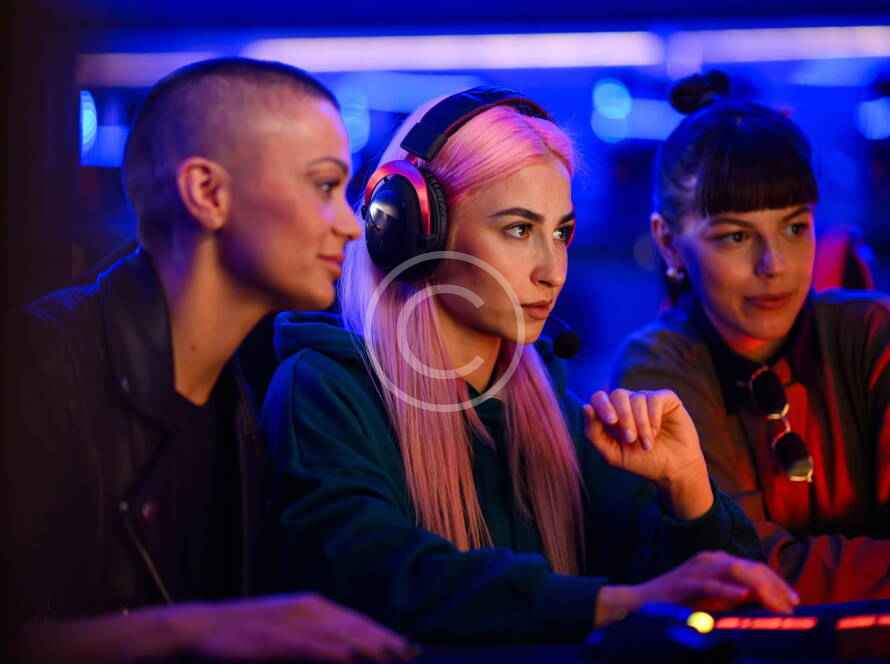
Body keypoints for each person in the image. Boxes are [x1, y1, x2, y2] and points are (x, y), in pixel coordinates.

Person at [260, 87, 798, 643]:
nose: (553, 271)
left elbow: (717, 600)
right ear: (411, 230)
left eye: (561, 233)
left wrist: (687, 488)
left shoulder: (554, 414)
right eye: (518, 230)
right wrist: (610, 605)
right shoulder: (324, 392)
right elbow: (378, 575)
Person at [1, 57, 416, 662]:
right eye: (326, 186)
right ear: (207, 193)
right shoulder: (36, 366)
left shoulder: (242, 409)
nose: (352, 227)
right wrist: (196, 630)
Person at [612, 71, 890, 603]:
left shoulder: (873, 333)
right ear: (668, 244)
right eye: (736, 236)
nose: (774, 264)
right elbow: (735, 578)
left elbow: (760, 573)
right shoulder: (656, 369)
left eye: (795, 227)